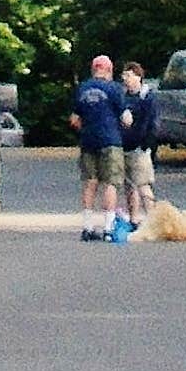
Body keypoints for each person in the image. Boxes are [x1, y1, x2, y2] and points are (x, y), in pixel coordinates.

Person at [73, 53, 125, 241]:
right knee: (110, 183)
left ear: (93, 69)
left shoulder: (82, 88)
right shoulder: (114, 89)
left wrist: (88, 127)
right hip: (110, 141)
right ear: (109, 70)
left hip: (88, 141)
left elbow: (74, 120)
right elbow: (125, 118)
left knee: (90, 182)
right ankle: (109, 228)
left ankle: (87, 228)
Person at [117, 55, 160, 222]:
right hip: (124, 147)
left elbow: (153, 124)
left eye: (128, 75)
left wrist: (146, 145)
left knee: (143, 185)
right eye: (124, 76)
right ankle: (134, 219)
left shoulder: (147, 97)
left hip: (140, 149)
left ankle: (153, 219)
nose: (125, 79)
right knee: (129, 186)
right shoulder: (123, 97)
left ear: (138, 76)